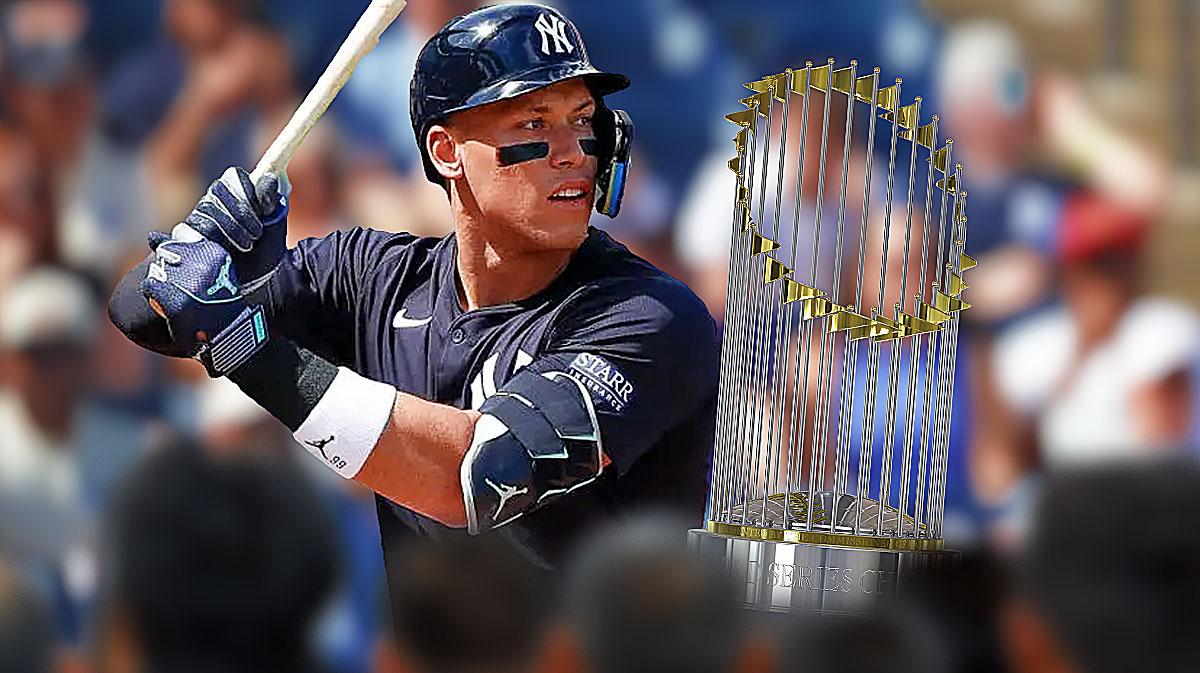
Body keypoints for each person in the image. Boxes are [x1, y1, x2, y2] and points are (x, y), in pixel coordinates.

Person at [109, 0, 717, 590]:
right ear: (446, 152)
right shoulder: (372, 275)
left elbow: (481, 476)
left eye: (582, 121)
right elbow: (144, 316)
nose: (574, 153)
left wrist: (248, 347)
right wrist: (200, 258)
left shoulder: (650, 316)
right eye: (534, 124)